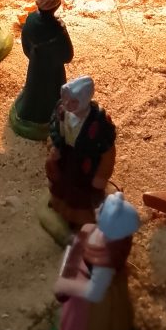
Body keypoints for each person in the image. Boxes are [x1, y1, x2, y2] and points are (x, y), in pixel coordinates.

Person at [50, 192, 140, 330]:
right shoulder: (102, 234)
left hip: (93, 307)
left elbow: (95, 292)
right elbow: (85, 235)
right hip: (82, 282)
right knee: (70, 316)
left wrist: (66, 285)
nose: (98, 208)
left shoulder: (105, 259)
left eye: (103, 209)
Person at [44, 77, 116, 236]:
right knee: (59, 181)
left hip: (85, 163)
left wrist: (102, 175)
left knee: (80, 192)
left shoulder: (99, 122)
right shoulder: (61, 111)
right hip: (65, 155)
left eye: (73, 102)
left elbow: (107, 151)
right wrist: (55, 144)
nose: (68, 104)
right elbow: (54, 128)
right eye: (66, 99)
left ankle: (78, 220)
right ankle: (59, 207)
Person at [11, 0, 74, 139]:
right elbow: (68, 55)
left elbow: (25, 45)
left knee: (34, 89)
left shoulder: (30, 19)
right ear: (56, 6)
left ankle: (29, 114)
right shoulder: (57, 29)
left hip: (36, 66)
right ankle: (50, 117)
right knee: (52, 93)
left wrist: (35, 57)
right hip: (53, 70)